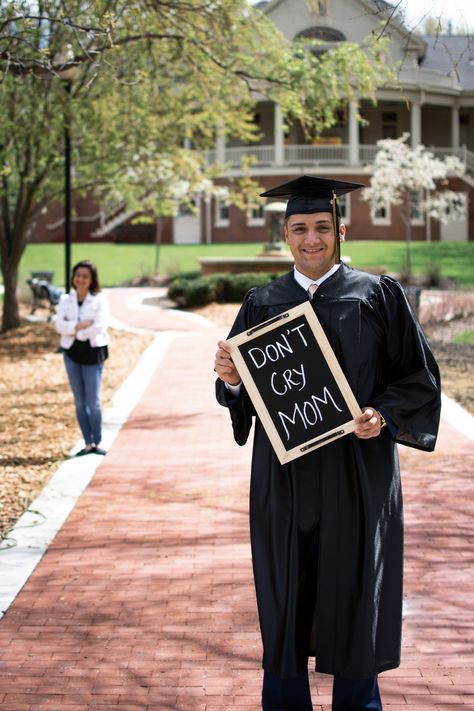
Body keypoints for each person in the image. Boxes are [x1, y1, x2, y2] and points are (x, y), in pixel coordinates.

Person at [214, 175, 441, 711]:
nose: (310, 238)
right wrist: (230, 379)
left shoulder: (377, 295)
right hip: (285, 478)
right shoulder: (263, 302)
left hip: (357, 473)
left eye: (321, 227)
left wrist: (382, 415)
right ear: (285, 235)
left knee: (357, 589)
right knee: (286, 591)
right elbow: (243, 400)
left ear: (341, 230)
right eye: (299, 229)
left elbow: (418, 377)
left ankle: (360, 703)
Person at [56, 260, 110, 456]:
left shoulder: (100, 299)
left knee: (93, 401)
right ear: (73, 277)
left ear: (92, 279)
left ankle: (97, 441)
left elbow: (100, 326)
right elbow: (59, 326)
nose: (81, 279)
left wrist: (74, 330)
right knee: (79, 401)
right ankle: (87, 443)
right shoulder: (65, 300)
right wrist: (79, 326)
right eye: (78, 275)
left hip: (92, 353)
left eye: (85, 276)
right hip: (71, 353)